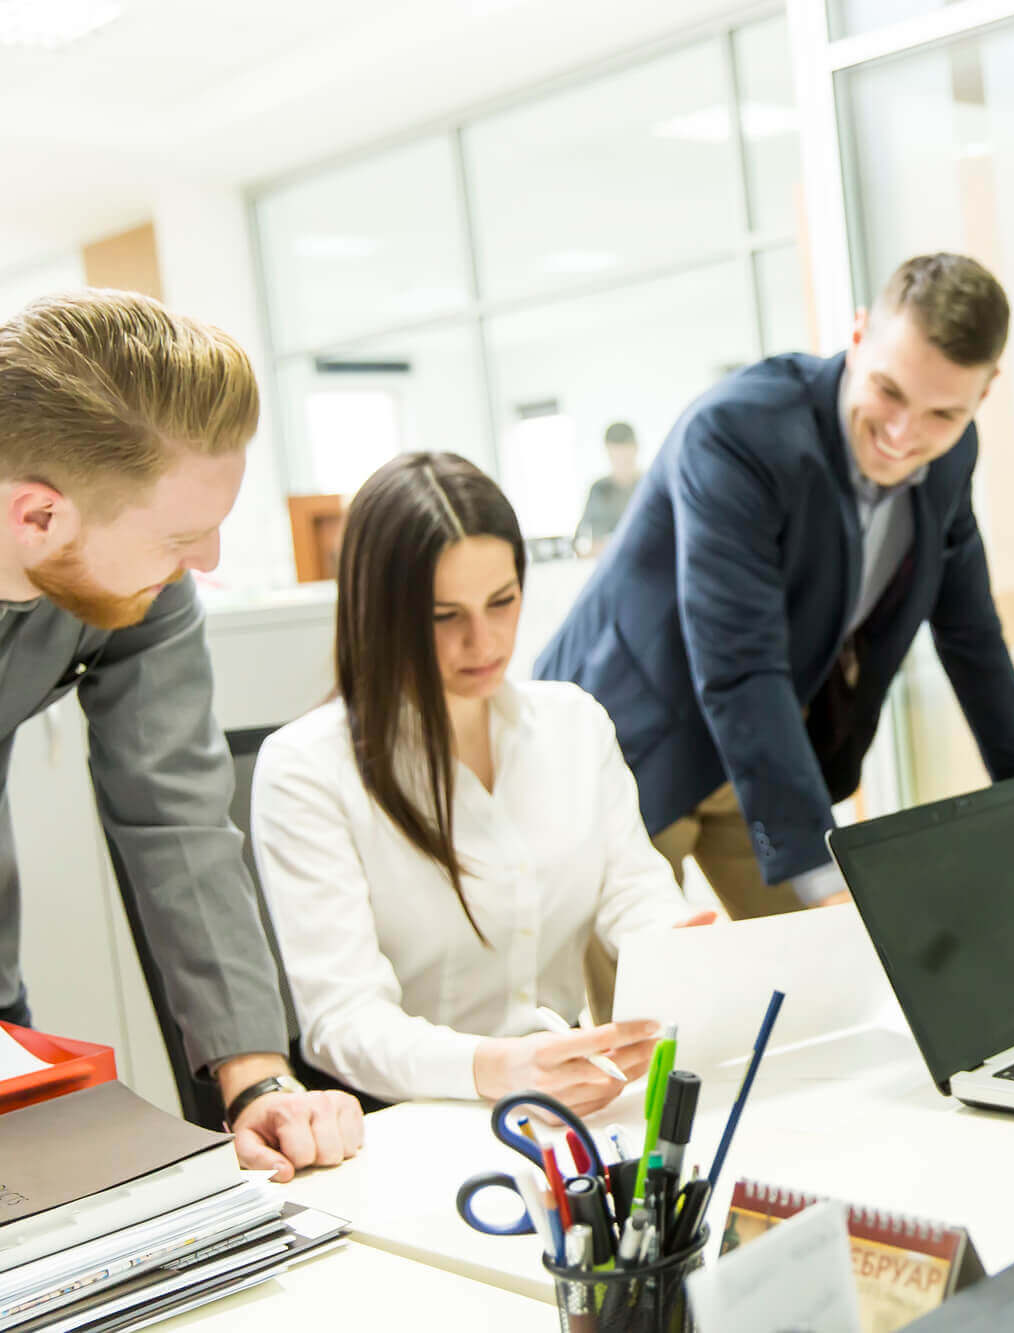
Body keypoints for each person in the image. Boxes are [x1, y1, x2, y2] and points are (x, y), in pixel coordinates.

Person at [536, 253, 1014, 918]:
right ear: (858, 335)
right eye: (889, 391)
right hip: (629, 738)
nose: (903, 435)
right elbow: (740, 660)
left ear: (985, 392)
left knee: (823, 963)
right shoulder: (738, 432)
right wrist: (824, 876)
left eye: (942, 413)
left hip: (758, 749)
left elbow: (973, 640)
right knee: (637, 983)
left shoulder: (952, 455)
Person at [0, 291, 362, 1179]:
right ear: (38, 516)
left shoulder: (142, 588)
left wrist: (258, 1078)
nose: (208, 562)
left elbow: (177, 813)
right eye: (184, 535)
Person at [252, 454, 714, 1109]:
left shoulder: (574, 724)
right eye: (444, 616)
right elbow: (342, 1020)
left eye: (502, 602)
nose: (484, 641)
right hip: (404, 1117)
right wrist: (498, 1067)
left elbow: (634, 894)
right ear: (379, 614)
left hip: (566, 1097)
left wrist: (684, 951)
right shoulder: (306, 769)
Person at [574, 421, 641, 554]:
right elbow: (580, 542)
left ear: (635, 449)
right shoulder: (598, 490)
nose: (621, 462)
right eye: (616, 456)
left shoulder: (650, 488)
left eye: (625, 456)